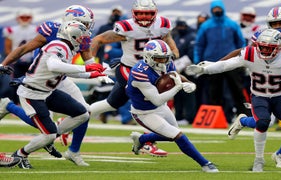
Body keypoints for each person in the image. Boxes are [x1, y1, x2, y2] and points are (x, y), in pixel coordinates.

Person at [186, 28, 281, 172]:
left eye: (269, 48)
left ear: (279, 48)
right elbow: (226, 65)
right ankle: (259, 160)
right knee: (262, 123)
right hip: (260, 96)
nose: (265, 51)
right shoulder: (250, 54)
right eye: (262, 47)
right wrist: (205, 70)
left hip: (280, 96)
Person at [220, 7, 281, 170]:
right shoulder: (262, 36)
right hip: (270, 85)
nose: (278, 26)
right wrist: (217, 63)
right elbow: (245, 53)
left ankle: (280, 154)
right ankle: (244, 121)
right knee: (264, 120)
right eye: (274, 23)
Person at [0, 5, 101, 166]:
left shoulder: (75, 40)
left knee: (83, 113)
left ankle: (69, 148)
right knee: (45, 126)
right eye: (84, 25)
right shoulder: (55, 39)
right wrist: (3, 64)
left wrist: (100, 72)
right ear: (72, 26)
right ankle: (35, 132)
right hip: (40, 83)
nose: (87, 30)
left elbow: (87, 62)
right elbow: (29, 51)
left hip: (58, 80)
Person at [89, 0, 179, 157]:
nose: (144, 17)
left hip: (151, 69)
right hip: (129, 69)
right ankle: (147, 143)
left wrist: (174, 49)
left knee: (112, 103)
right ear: (133, 14)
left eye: (148, 13)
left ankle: (78, 115)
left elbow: (167, 36)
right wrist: (90, 63)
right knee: (152, 102)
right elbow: (98, 39)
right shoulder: (127, 27)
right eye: (140, 13)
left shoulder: (162, 23)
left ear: (155, 13)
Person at [126, 39, 218, 173]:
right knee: (178, 135)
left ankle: (142, 139)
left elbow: (175, 76)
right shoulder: (140, 72)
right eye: (158, 58)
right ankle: (205, 163)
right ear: (148, 57)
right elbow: (156, 100)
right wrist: (177, 88)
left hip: (161, 107)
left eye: (165, 58)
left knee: (172, 135)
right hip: (144, 112)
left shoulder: (167, 64)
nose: (163, 62)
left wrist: (190, 83)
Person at [193, 0, 250, 123]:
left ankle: (244, 116)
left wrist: (243, 58)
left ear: (223, 9)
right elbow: (199, 45)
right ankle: (218, 119)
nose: (217, 11)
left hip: (232, 62)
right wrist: (198, 60)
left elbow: (241, 43)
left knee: (237, 90)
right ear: (211, 10)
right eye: (214, 9)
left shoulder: (231, 24)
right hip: (213, 63)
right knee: (214, 92)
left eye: (218, 8)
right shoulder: (206, 26)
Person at [2, 8, 37, 104]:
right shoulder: (11, 30)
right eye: (23, 17)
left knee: (33, 83)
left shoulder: (36, 29)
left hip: (32, 60)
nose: (25, 19)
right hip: (17, 61)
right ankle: (16, 102)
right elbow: (7, 48)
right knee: (15, 83)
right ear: (18, 18)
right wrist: (13, 59)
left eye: (27, 17)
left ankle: (30, 103)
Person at [171, 18, 197, 125]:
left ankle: (189, 117)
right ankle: (179, 116)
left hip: (187, 69)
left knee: (188, 93)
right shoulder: (176, 36)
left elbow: (191, 55)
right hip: (177, 70)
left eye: (182, 26)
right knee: (177, 93)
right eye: (179, 26)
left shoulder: (191, 37)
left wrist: (178, 66)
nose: (181, 28)